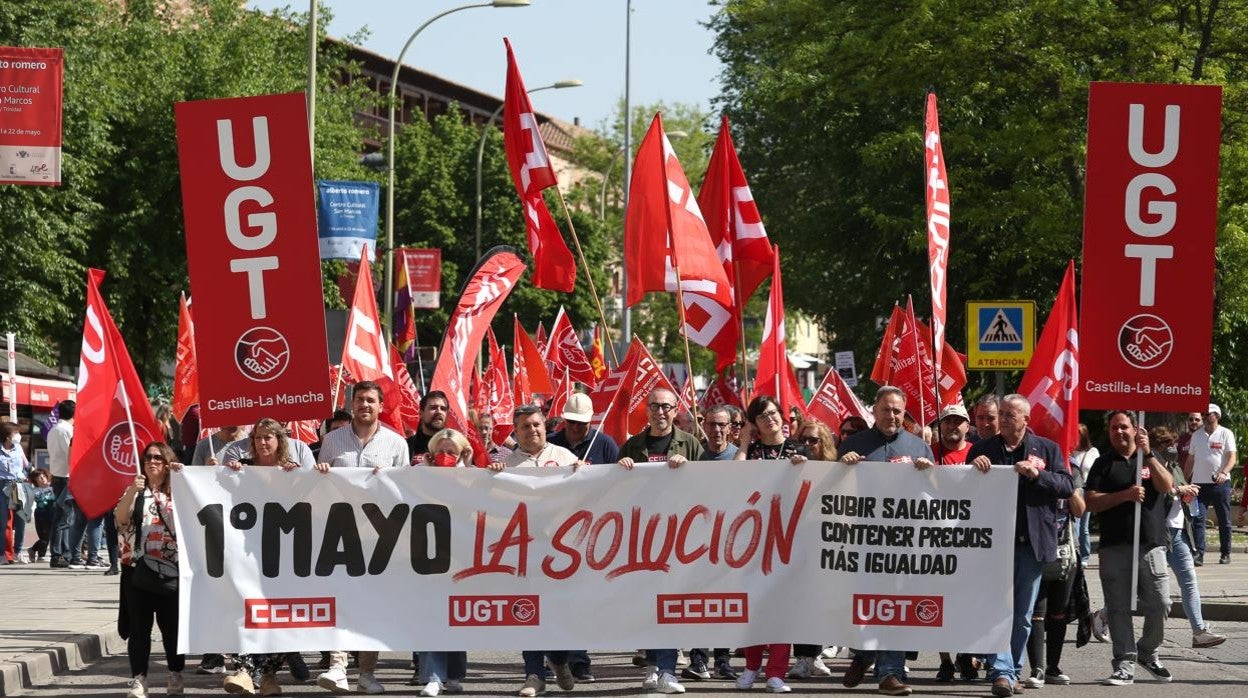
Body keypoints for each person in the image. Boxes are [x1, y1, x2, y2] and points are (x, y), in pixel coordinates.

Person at [965, 394, 1071, 698]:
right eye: (1003, 414)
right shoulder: (983, 449)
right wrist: (974, 467)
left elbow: (1066, 486)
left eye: (1012, 415)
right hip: (994, 545)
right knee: (998, 609)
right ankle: (1002, 671)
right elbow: (963, 489)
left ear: (1026, 420)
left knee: (1023, 614)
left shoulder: (1047, 449)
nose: (1005, 419)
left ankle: (1012, 671)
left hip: (1032, 544)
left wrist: (1038, 474)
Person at [315, 381, 411, 695]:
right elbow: (319, 483)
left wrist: (390, 480)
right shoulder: (331, 440)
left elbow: (407, 491)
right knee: (340, 600)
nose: (364, 405)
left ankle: (367, 674)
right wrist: (321, 471)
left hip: (379, 536)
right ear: (352, 404)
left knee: (372, 605)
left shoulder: (397, 444)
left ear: (381, 406)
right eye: (359, 400)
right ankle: (338, 666)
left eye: (371, 400)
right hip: (339, 533)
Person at [838, 386, 934, 697]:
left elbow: (938, 495)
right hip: (861, 543)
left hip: (903, 544)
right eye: (885, 410)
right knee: (863, 605)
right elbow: (833, 494)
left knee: (897, 606)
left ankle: (890, 672)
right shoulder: (853, 445)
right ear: (874, 412)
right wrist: (843, 467)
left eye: (897, 410)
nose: (891, 415)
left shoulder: (919, 447)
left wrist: (928, 473)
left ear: (904, 413)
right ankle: (863, 653)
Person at [617, 388, 703, 695]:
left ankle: (668, 670)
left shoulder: (690, 444)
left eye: (665, 406)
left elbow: (710, 488)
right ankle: (654, 664)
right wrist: (621, 470)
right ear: (647, 409)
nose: (660, 412)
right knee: (647, 603)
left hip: (678, 536)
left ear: (675, 408)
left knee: (670, 603)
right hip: (641, 536)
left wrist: (690, 469)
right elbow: (615, 491)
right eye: (654, 406)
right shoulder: (632, 445)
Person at [494, 405, 579, 697]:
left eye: (536, 425)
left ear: (546, 427)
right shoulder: (504, 462)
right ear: (515, 432)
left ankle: (558, 660)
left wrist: (586, 473)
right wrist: (489, 476)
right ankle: (534, 674)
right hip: (521, 553)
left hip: (561, 552)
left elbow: (588, 492)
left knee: (560, 613)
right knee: (526, 612)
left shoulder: (565, 457)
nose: (532, 430)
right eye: (525, 427)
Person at [1085, 411, 1174, 686]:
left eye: (1123, 427)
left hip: (1150, 545)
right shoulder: (1103, 463)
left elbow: (1167, 485)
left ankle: (1147, 652)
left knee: (1161, 604)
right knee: (1119, 607)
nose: (1119, 432)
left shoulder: (1150, 458)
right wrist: (1125, 495)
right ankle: (1124, 663)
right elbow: (1090, 501)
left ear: (1135, 429)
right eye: (1114, 428)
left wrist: (1147, 455)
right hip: (1114, 546)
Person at [221, 419, 302, 695]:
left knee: (277, 612)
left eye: (268, 437)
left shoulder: (292, 472)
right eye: (257, 438)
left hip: (282, 556)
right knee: (243, 608)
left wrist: (300, 478)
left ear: (280, 440)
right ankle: (243, 669)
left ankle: (269, 675)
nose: (263, 443)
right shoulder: (241, 468)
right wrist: (223, 474)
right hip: (244, 553)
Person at [115, 441, 185, 698]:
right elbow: (120, 520)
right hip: (137, 569)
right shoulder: (135, 491)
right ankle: (138, 679)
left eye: (158, 458)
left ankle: (175, 673)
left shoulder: (179, 490)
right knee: (139, 629)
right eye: (147, 458)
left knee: (173, 628)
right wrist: (132, 492)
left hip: (172, 570)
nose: (152, 462)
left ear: (167, 463)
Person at [1149, 425, 1226, 649]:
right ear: (1155, 447)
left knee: (1189, 581)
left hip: (1177, 533)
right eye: (1166, 444)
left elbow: (1179, 492)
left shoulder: (1175, 466)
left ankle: (1199, 631)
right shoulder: (1147, 467)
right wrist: (1179, 491)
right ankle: (1104, 615)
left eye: (1173, 443)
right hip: (1156, 534)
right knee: (1145, 585)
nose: (1172, 448)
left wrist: (1187, 494)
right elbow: (1156, 495)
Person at [413, 429, 472, 697]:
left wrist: (471, 467)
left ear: (462, 454)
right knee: (432, 615)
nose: (446, 456)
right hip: (428, 556)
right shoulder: (419, 476)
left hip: (461, 557)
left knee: (457, 616)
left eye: (452, 452)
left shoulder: (471, 477)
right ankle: (434, 676)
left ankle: (454, 675)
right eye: (442, 451)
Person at [1022, 473, 1086, 688]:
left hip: (1064, 551)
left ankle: (1053, 667)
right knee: (1037, 613)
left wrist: (1068, 488)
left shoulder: (1072, 472)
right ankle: (1037, 669)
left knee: (1059, 611)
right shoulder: (1034, 468)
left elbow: (1079, 510)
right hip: (1035, 549)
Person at [786, 418, 836, 681]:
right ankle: (802, 658)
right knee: (801, 601)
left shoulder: (835, 468)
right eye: (803, 440)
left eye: (813, 440)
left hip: (828, 545)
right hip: (797, 543)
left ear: (824, 443)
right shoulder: (793, 467)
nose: (807, 445)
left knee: (820, 602)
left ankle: (815, 655)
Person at [1183, 403, 1237, 565]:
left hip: (1220, 484)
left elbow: (1232, 457)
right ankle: (1199, 554)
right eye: (1204, 414)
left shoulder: (1226, 433)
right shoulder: (1197, 435)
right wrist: (1185, 480)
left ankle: (1225, 552)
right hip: (1199, 484)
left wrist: (1223, 472)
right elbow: (1190, 459)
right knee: (1198, 519)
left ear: (1217, 416)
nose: (1205, 417)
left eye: (1208, 414)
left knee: (1224, 520)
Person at [548, 392, 619, 465]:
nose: (575, 427)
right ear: (565, 419)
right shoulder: (549, 443)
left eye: (582, 422)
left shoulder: (606, 445)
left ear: (590, 419)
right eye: (571, 421)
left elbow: (619, 473)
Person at [46, 400, 74, 568]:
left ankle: (64, 552)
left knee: (63, 517)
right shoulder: (67, 430)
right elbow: (71, 455)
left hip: (57, 475)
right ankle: (58, 554)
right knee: (63, 518)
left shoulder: (53, 430)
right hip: (66, 476)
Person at [0, 423, 30, 564]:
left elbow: (26, 465)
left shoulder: (18, 447)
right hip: (3, 486)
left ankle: (18, 551)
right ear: (7, 437)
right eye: (15, 433)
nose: (18, 436)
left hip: (19, 485)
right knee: (5, 522)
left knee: (21, 519)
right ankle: (6, 554)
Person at [1070, 424, 1100, 568]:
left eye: (1079, 433)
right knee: (1074, 524)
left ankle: (1085, 556)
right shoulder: (1070, 452)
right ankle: (1075, 552)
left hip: (1086, 489)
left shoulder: (1092, 452)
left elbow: (1097, 471)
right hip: (1074, 491)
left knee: (1083, 526)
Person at [407, 391, 450, 458]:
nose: (439, 411)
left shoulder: (455, 446)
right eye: (433, 408)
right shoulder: (407, 446)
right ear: (421, 413)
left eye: (443, 409)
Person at [26, 468, 55, 562]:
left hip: (53, 513)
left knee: (50, 536)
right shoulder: (34, 491)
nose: (42, 478)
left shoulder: (52, 487)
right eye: (39, 477)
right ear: (35, 481)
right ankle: (40, 556)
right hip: (41, 515)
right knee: (44, 537)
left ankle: (32, 550)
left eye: (44, 476)